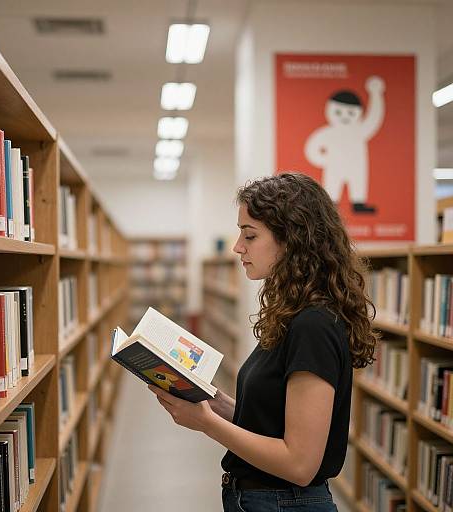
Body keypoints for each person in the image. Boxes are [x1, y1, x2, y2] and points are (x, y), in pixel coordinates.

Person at [148, 172, 378, 512]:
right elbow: (272, 418)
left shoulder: (313, 325)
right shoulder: (291, 314)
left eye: (250, 235)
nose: (238, 247)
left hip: (286, 503)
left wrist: (205, 422)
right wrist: (214, 400)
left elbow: (300, 465)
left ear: (292, 240)